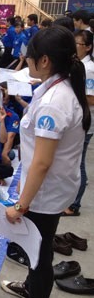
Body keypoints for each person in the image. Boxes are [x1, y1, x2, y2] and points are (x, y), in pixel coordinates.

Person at [0, 26, 91, 298]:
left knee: (39, 257)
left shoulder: (55, 101)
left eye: (29, 58)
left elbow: (41, 163)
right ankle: (30, 289)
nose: (26, 62)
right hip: (51, 188)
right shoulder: (57, 87)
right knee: (36, 247)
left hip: (44, 194)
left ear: (45, 61)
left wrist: (20, 205)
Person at [64, 30, 94, 216]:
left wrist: (69, 92)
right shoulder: (79, 64)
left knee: (79, 163)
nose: (75, 47)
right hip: (77, 119)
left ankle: (74, 205)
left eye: (78, 44)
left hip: (85, 121)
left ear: (88, 47)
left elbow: (91, 98)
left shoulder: (88, 69)